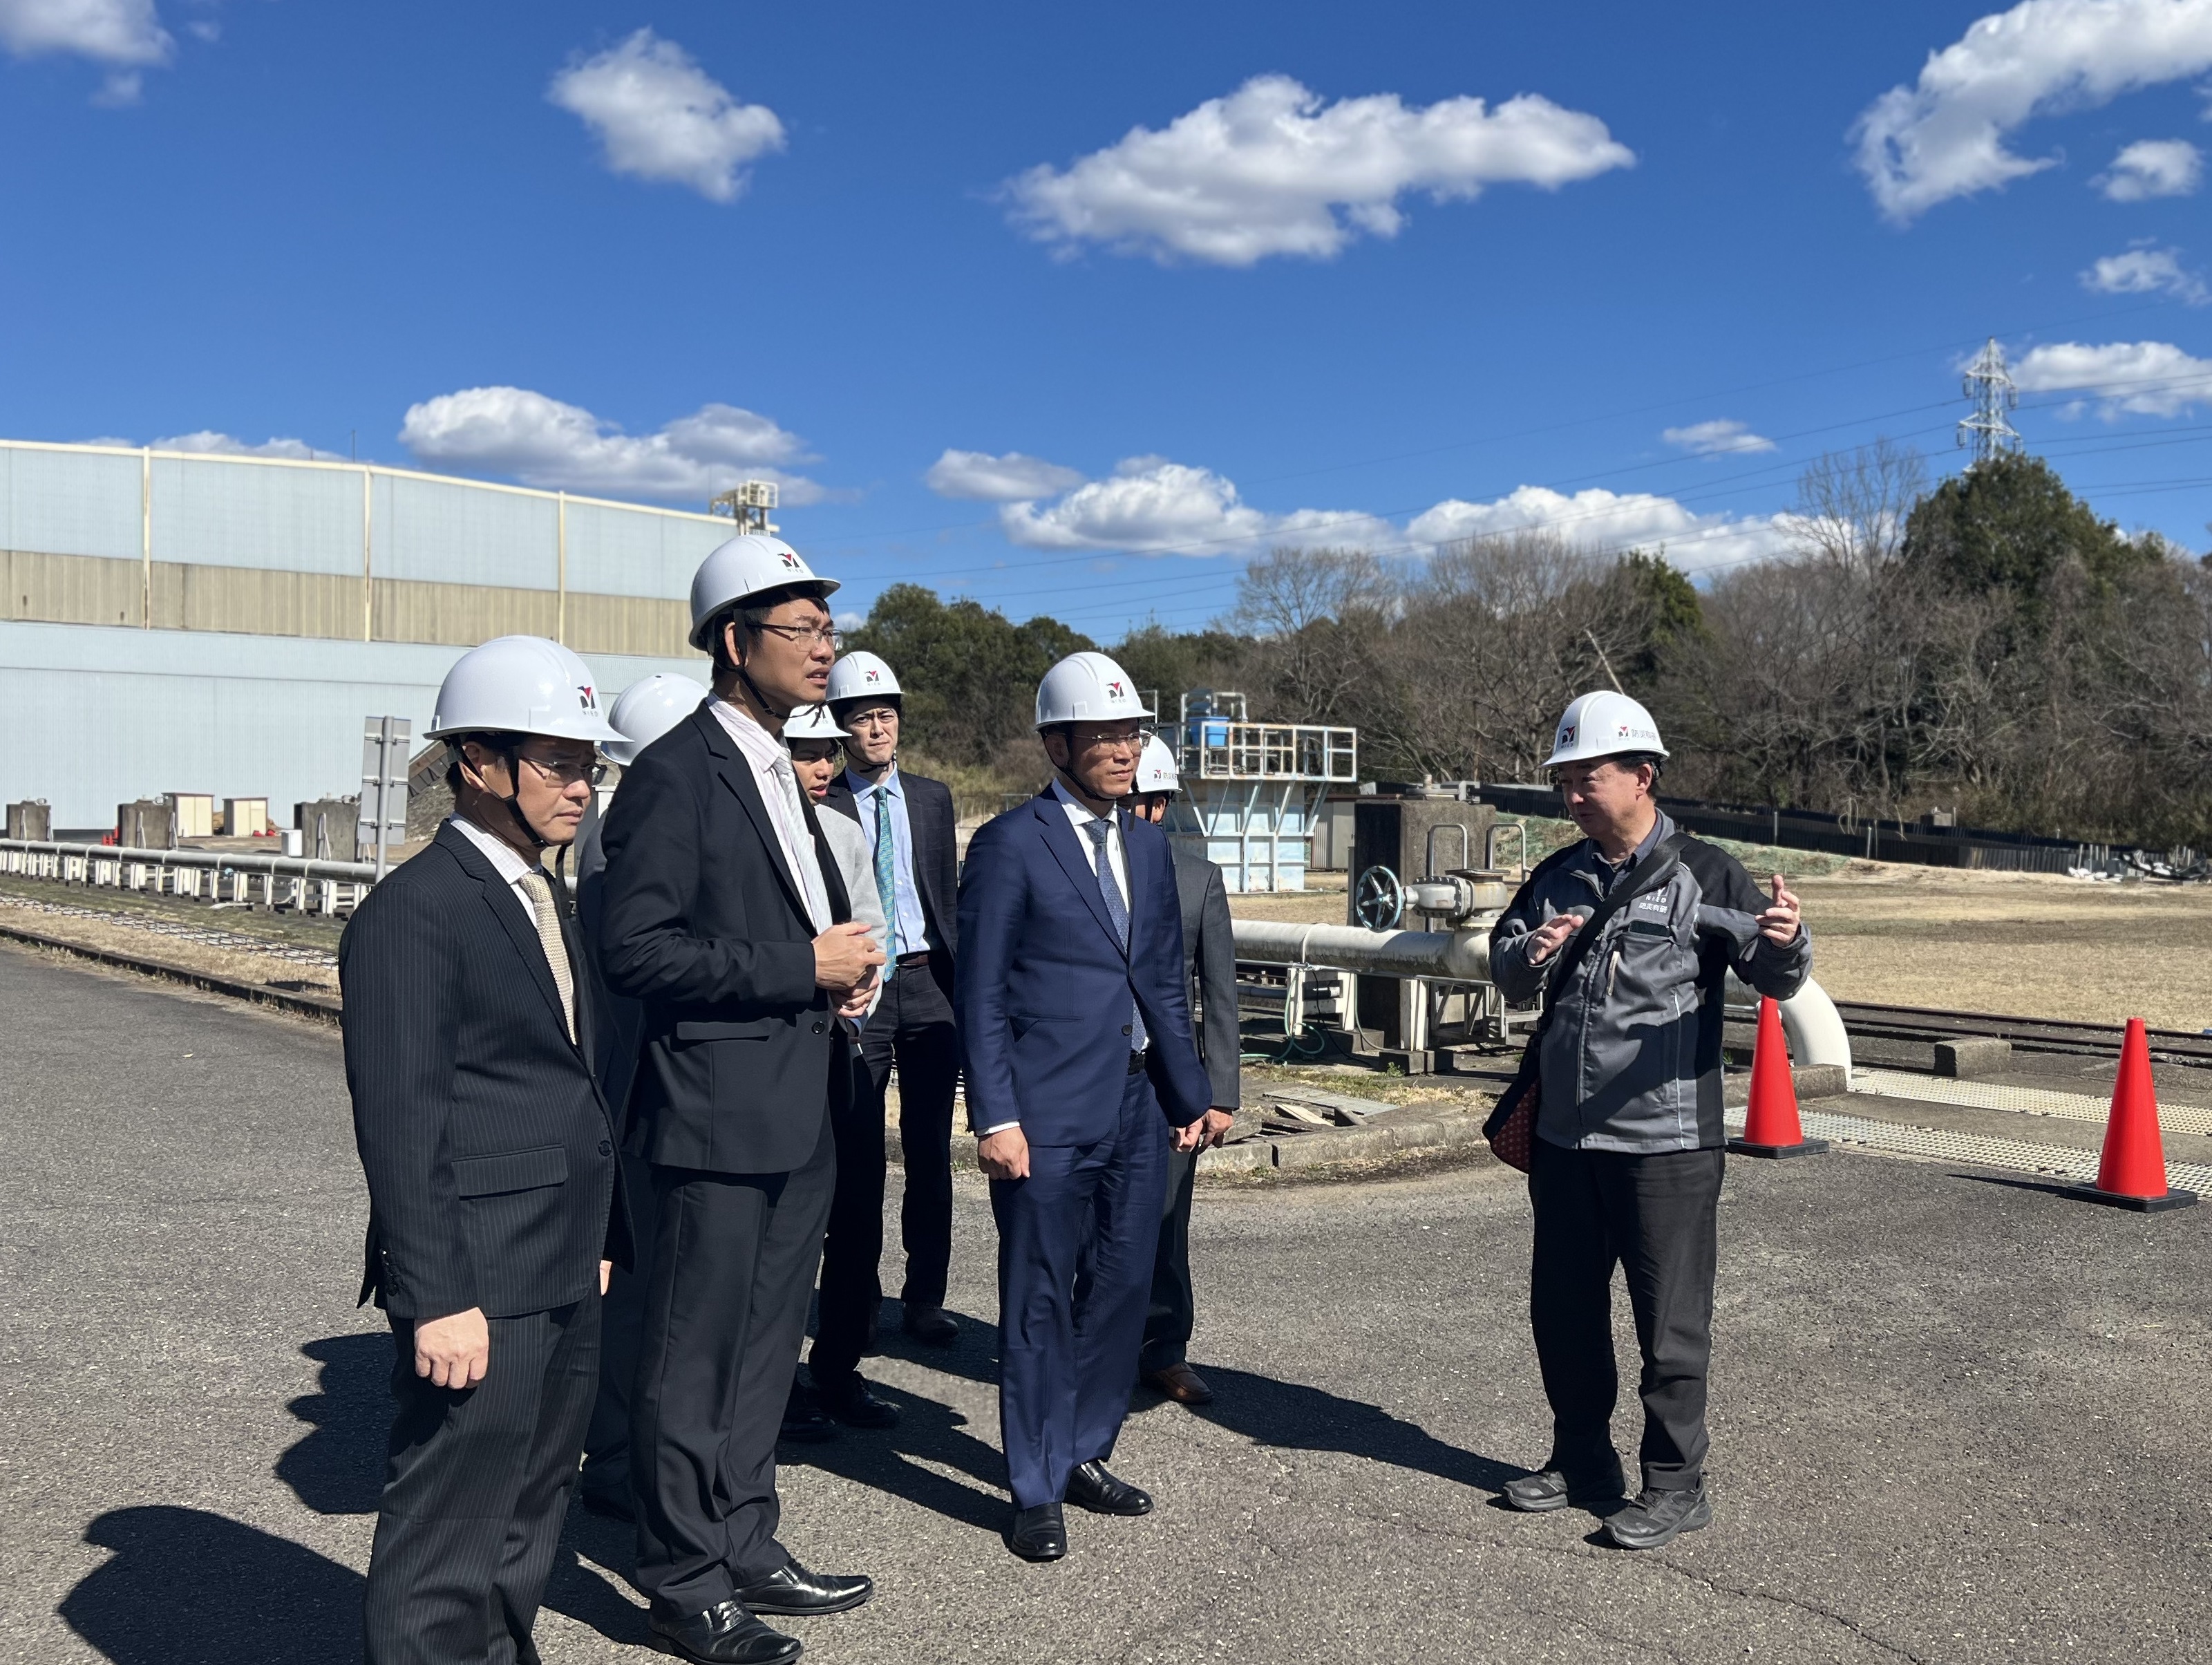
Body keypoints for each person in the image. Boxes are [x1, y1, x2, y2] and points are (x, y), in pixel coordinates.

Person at [597, 534, 883, 1664]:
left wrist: (840, 980)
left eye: (828, 628)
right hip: (709, 1115)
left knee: (768, 1343)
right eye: (801, 629)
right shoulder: (676, 772)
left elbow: (785, 926)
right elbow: (638, 948)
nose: (826, 649)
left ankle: (745, 1535)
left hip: (796, 1098)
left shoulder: (779, 769)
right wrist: (795, 968)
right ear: (733, 639)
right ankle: (679, 1572)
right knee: (690, 1351)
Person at [339, 634, 630, 1664]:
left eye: (589, 763)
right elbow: (402, 1124)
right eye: (559, 761)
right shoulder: (413, 913)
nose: (582, 785)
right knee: (448, 1533)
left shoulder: (545, 893)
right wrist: (436, 1295)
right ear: (478, 761)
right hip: (480, 1276)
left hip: (562, 1257)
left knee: (530, 1511)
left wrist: (600, 1236)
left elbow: (565, 1080)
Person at [1488, 690, 1809, 1551]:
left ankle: (1674, 1483)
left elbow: (1775, 978)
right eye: (1564, 781)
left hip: (1665, 1144)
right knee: (1562, 1309)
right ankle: (1581, 1458)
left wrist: (1786, 942)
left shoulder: (1708, 872)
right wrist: (1528, 953)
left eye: (1587, 776)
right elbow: (1507, 972)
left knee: (1668, 1321)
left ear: (1643, 774)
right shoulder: (1558, 873)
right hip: (1566, 1139)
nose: (1572, 795)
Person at [955, 651, 1232, 1563]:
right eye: (1105, 735)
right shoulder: (1009, 844)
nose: (1123, 750)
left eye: (1132, 733)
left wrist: (1188, 1094)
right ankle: (1033, 1482)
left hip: (1133, 1109)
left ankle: (1083, 1449)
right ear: (1057, 742)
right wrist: (994, 1115)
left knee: (1120, 1289)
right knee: (1038, 1297)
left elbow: (1158, 978)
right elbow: (983, 993)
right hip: (1042, 1113)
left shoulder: (1150, 847)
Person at [574, 671, 707, 1522]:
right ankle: (619, 1457)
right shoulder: (629, 839)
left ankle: (623, 1449)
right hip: (637, 1089)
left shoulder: (602, 828)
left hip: (629, 1081)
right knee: (639, 1287)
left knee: (641, 1286)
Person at [820, 649, 964, 1355]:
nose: (877, 731)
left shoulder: (933, 799)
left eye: (885, 717)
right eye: (862, 720)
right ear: (841, 730)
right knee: (859, 1156)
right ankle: (857, 1302)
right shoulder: (823, 801)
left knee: (932, 1151)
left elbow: (946, 893)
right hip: (863, 984)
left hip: (930, 981)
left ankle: (926, 1299)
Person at [779, 702, 895, 1440]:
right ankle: (774, 1383)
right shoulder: (745, 834)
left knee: (857, 1218)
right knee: (786, 1228)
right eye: (806, 753)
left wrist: (863, 986)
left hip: (842, 1049)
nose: (823, 767)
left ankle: (840, 1367)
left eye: (830, 752)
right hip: (779, 1058)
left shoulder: (846, 832)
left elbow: (873, 928)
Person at [1126, 736, 1240, 1407]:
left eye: (1157, 799)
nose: (1147, 811)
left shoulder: (1199, 877)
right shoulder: (1083, 869)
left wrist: (1219, 1094)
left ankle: (1165, 1349)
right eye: (1137, 798)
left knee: (1169, 1222)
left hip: (1172, 1082)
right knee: (1095, 1224)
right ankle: (1097, 1349)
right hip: (1101, 1072)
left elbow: (1219, 992)